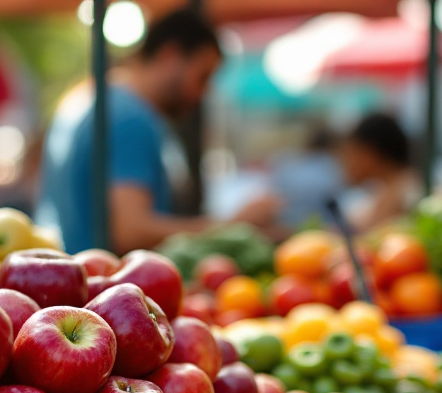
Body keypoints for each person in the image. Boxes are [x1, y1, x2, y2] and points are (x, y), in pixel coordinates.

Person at [38, 9, 276, 254]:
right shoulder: (131, 117)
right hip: (103, 285)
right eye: (202, 77)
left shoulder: (87, 98)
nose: (201, 94)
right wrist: (231, 227)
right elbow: (132, 231)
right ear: (169, 56)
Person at [339, 113, 420, 233]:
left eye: (352, 154)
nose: (347, 164)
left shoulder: (408, 194)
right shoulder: (385, 189)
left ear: (369, 153)